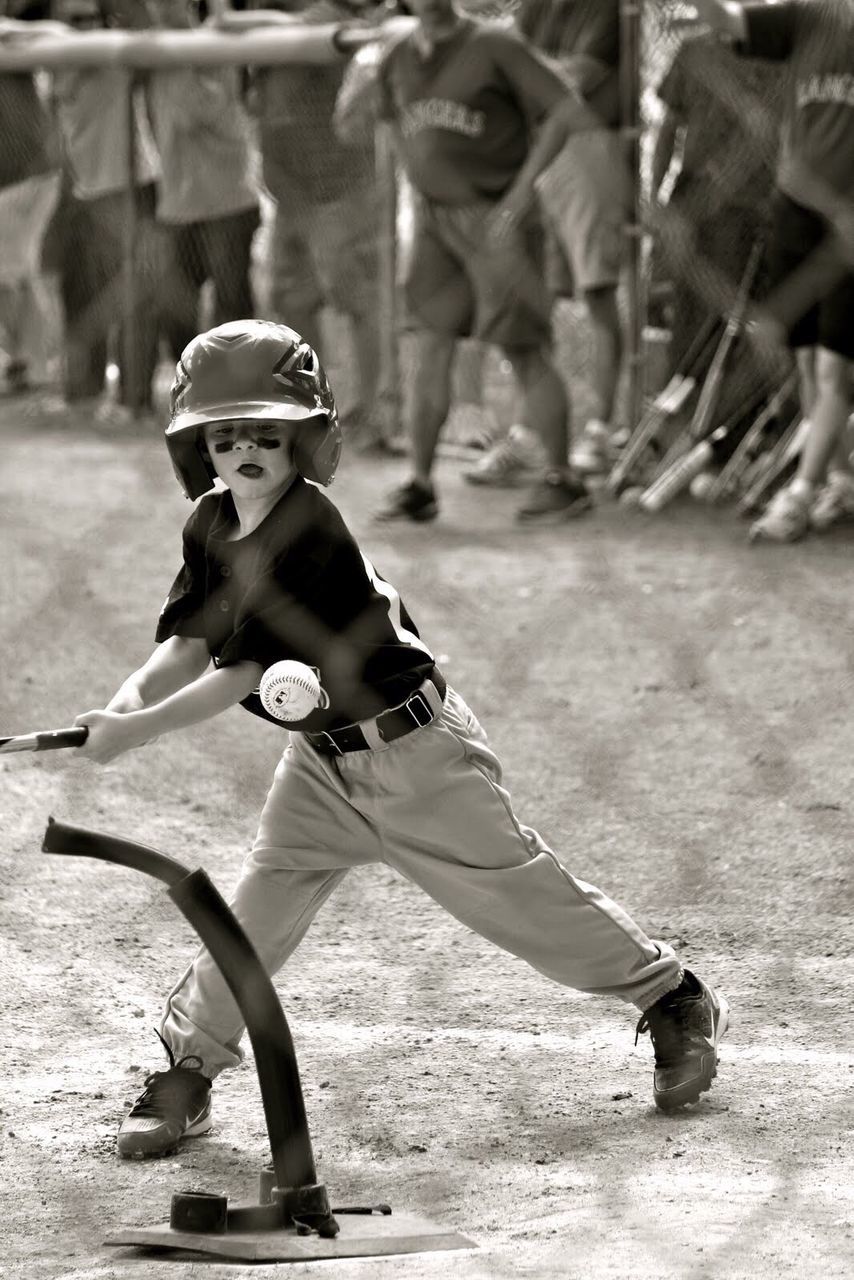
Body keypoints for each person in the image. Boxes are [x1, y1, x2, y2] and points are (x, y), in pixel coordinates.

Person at [73, 317, 729, 1158]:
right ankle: (189, 1070)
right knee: (254, 916)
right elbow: (190, 643)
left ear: (305, 441)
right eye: (225, 434)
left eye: (267, 434)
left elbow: (238, 676)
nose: (244, 451)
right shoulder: (210, 524)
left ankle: (670, 995)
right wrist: (119, 707)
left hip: (417, 755)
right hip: (319, 766)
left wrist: (136, 733)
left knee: (519, 899)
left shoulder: (310, 527)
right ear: (197, 446)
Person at [333, 0, 598, 524]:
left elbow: (568, 111)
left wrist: (519, 199)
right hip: (435, 221)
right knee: (429, 347)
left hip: (499, 219)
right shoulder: (397, 55)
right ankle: (421, 484)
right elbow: (360, 127)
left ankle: (565, 480)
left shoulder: (494, 44)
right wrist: (365, 84)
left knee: (522, 348)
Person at [693, 0, 854, 543]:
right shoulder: (810, 19)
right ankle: (839, 478)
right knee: (807, 363)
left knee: (838, 369)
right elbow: (726, 22)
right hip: (795, 208)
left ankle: (801, 493)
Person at [218, 0, 389, 448]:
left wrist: (236, 20)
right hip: (291, 195)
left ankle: (375, 411)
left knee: (357, 300)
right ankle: (314, 404)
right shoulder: (276, 22)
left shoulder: (325, 17)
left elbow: (289, 28)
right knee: (289, 299)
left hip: (339, 189)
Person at [648, 26, 785, 449]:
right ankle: (677, 424)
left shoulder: (785, 50)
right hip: (696, 204)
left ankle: (730, 431)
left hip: (760, 205)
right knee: (687, 316)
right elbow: (669, 127)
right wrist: (656, 197)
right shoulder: (695, 48)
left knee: (746, 321)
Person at [509, 0, 628, 480]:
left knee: (597, 291)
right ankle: (527, 432)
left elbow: (574, 75)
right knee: (537, 297)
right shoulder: (536, 7)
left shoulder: (605, 8)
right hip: (538, 151)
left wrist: (518, 71)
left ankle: (599, 431)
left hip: (590, 146)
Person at [49, 0, 163, 415]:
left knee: (135, 294)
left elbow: (147, 25)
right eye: (75, 21)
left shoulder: (116, 54)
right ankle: (84, 392)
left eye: (92, 19)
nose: (86, 29)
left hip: (133, 186)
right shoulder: (55, 60)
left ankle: (134, 397)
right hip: (84, 192)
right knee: (82, 294)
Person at [146, 0, 262, 360]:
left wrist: (168, 53)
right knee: (172, 312)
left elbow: (193, 109)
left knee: (232, 315)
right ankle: (192, 393)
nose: (162, 7)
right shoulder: (151, 49)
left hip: (226, 202)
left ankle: (238, 393)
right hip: (177, 206)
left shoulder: (213, 42)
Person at [0, 3, 62, 393]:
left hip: (26, 176)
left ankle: (33, 366)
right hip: (21, 177)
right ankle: (26, 362)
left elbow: (58, 36)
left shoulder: (11, 35)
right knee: (13, 272)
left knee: (13, 272)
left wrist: (8, 28)